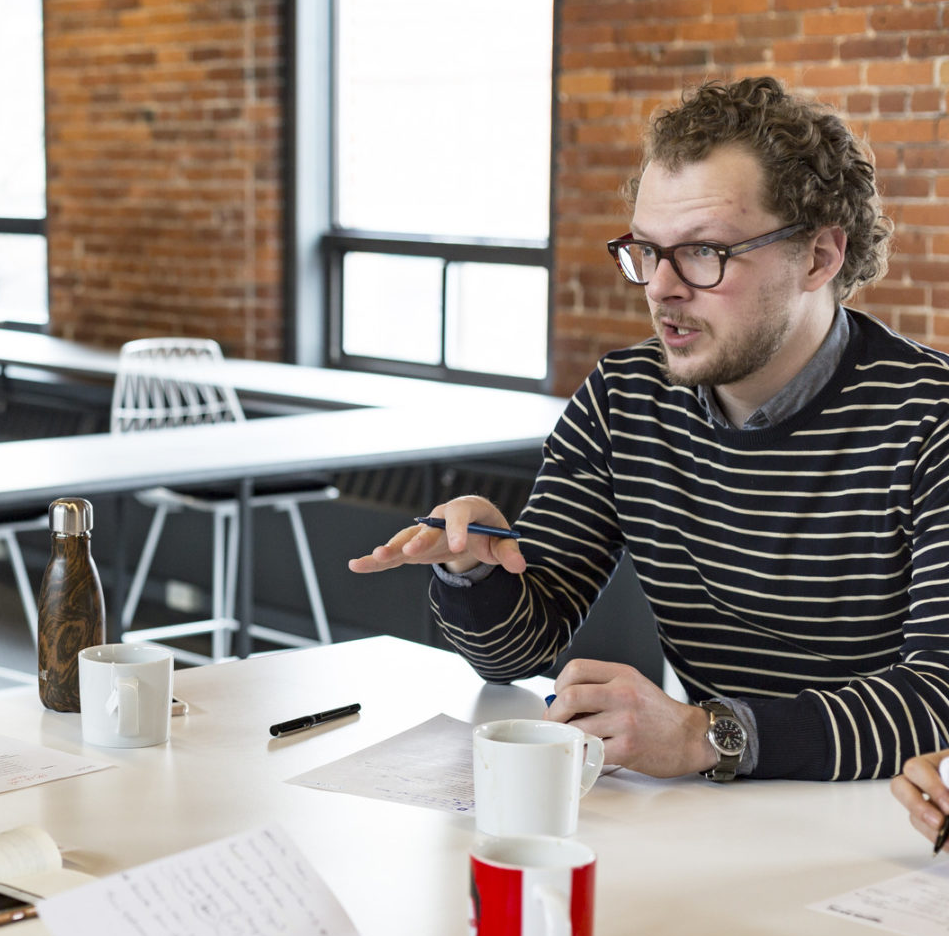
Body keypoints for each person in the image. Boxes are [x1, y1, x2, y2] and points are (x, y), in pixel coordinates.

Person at [351, 75, 949, 784]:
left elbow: (940, 698)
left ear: (818, 257)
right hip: (713, 820)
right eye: (647, 250)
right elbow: (514, 653)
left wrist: (710, 736)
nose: (662, 287)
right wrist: (476, 568)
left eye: (705, 252)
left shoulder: (928, 421)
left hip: (889, 834)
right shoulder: (624, 397)